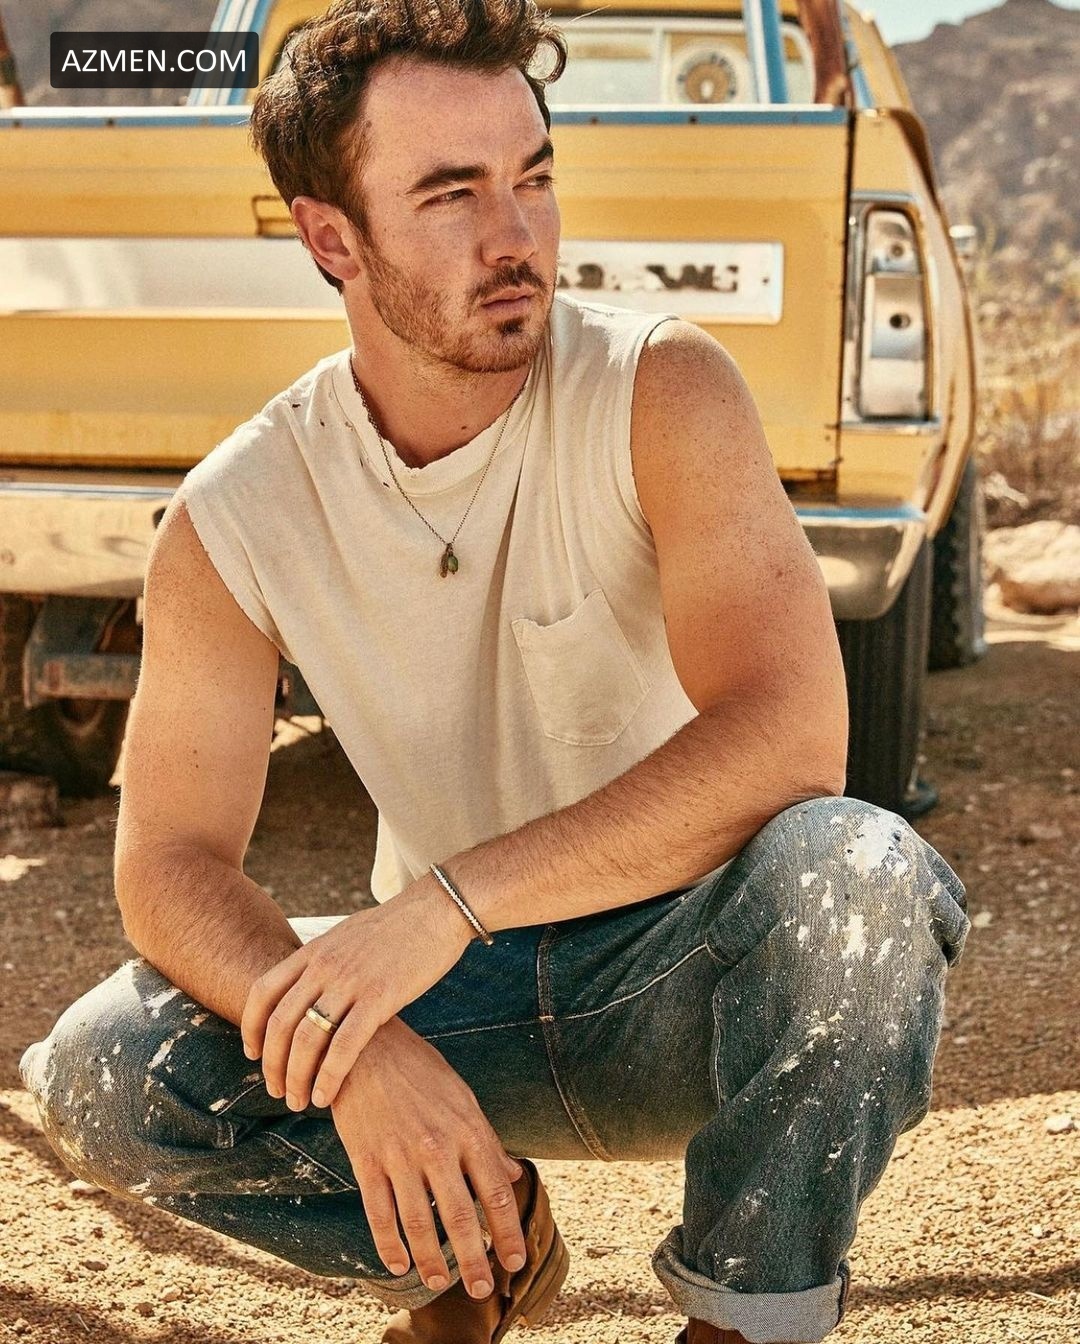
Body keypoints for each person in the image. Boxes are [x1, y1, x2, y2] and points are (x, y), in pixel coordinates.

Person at [18, 2, 970, 1341]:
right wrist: (357, 1048)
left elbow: (792, 737)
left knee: (861, 876)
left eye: (534, 176)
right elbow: (168, 863)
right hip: (453, 1016)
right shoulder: (235, 514)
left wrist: (449, 905)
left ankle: (745, 1318)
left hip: (692, 974)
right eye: (451, 194)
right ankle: (475, 1252)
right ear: (332, 240)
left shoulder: (661, 390)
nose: (516, 234)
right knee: (108, 1064)